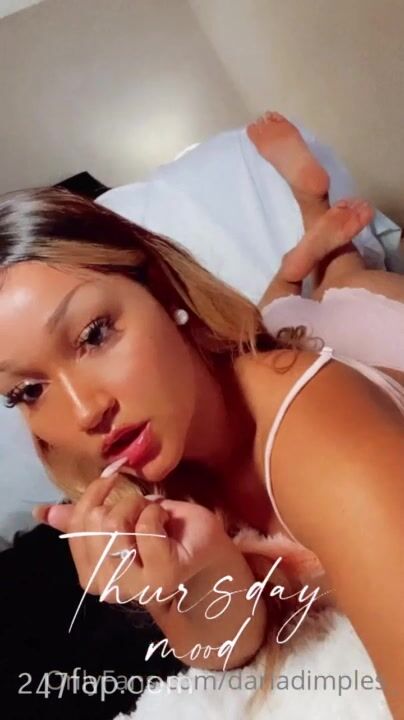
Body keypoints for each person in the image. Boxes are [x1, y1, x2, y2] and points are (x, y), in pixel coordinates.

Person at [0, 172, 403, 717]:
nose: (83, 412)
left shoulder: (324, 441)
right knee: (273, 317)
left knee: (346, 280)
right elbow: (228, 648)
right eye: (27, 390)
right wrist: (195, 573)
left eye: (94, 334)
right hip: (266, 347)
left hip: (375, 333)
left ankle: (316, 221)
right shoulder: (146, 461)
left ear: (163, 290)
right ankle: (292, 270)